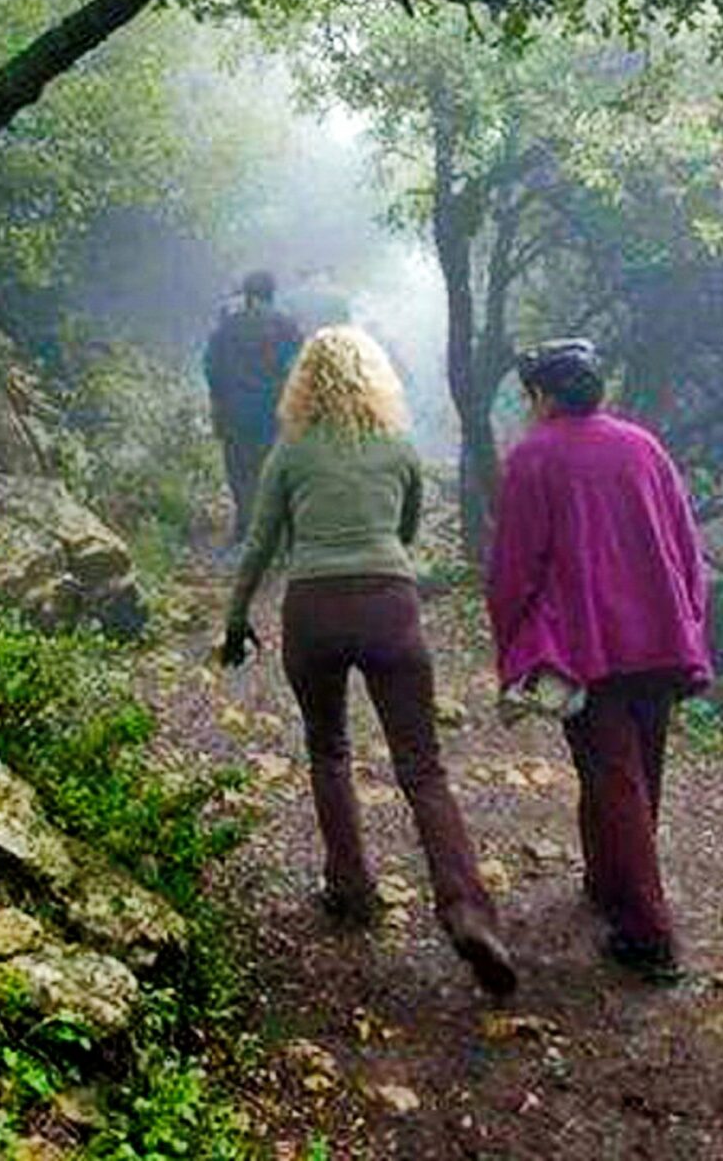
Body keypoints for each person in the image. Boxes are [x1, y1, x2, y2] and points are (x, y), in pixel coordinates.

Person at [223, 325, 517, 996]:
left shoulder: (291, 449)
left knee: (328, 749)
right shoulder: (398, 445)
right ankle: (468, 909)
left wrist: (237, 617)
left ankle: (351, 886)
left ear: (304, 382)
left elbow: (262, 542)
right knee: (422, 765)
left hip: (314, 608)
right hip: (389, 602)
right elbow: (408, 530)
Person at [485, 338, 711, 983]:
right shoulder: (644, 446)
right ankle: (609, 884)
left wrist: (512, 649)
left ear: (545, 395)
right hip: (662, 636)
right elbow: (685, 544)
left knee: (612, 777)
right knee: (639, 773)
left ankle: (649, 936)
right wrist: (691, 622)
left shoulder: (534, 457)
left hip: (589, 647)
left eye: (530, 396)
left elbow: (514, 569)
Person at [202, 270, 302, 543]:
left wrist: (218, 398)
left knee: (239, 469)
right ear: (272, 293)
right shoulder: (288, 326)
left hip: (234, 410)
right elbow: (299, 368)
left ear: (247, 295)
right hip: (274, 411)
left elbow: (210, 367)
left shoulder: (228, 326)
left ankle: (246, 522)